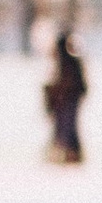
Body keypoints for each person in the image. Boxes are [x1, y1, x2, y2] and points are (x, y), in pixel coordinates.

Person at [42, 31, 87, 167]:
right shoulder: (61, 62)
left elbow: (77, 83)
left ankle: (70, 153)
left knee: (67, 127)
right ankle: (66, 153)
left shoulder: (69, 62)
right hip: (63, 101)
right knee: (64, 127)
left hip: (68, 101)